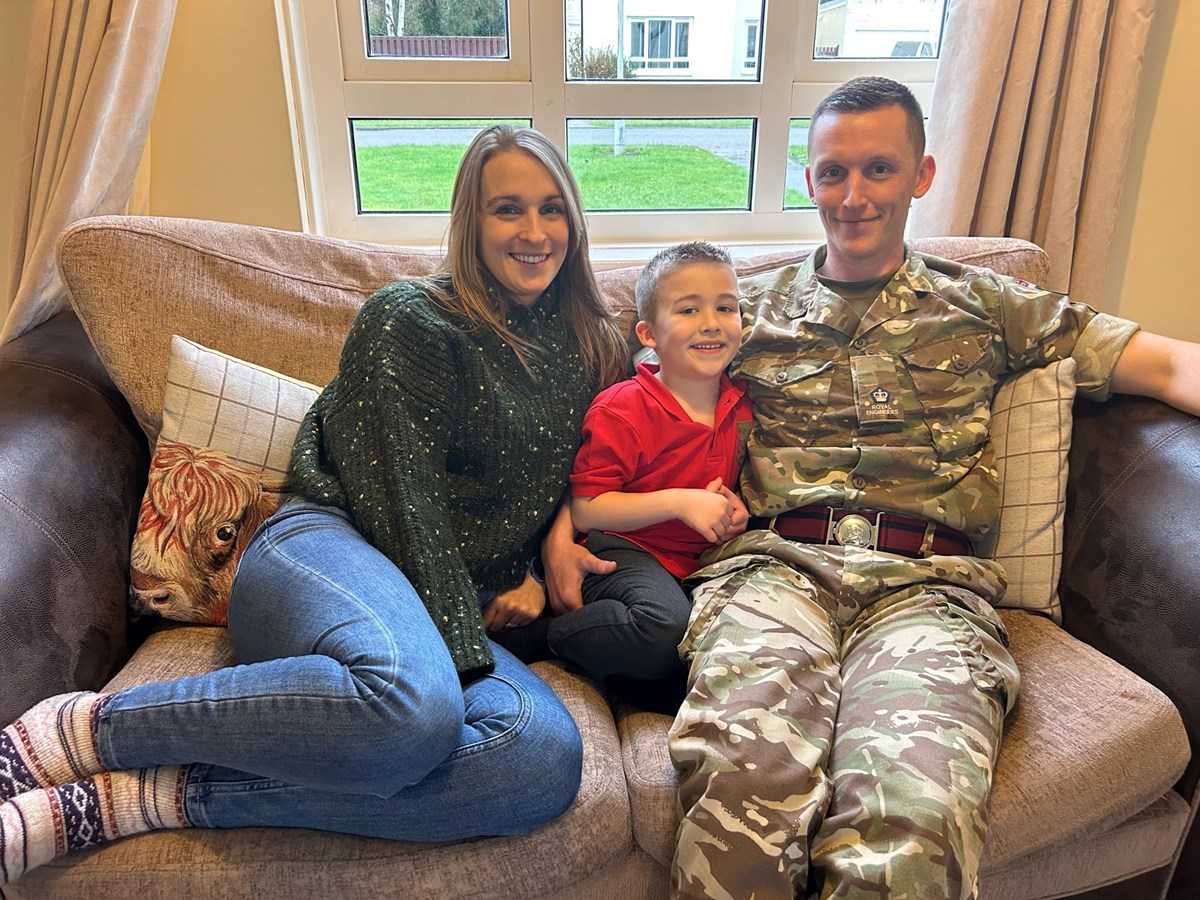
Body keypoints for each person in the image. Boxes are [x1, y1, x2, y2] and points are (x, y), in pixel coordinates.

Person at [542, 76, 1200, 900]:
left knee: (913, 813)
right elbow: (623, 411)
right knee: (743, 775)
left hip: (927, 590)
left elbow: (1171, 361)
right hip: (772, 572)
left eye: (879, 170)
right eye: (831, 173)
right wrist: (559, 530)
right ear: (808, 179)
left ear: (921, 175)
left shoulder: (988, 304)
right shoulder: (744, 315)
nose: (853, 197)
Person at [0, 124, 626, 885]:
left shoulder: (588, 342)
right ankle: (81, 728)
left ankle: (151, 799)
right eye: (508, 209)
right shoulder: (409, 319)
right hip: (327, 549)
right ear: (471, 221)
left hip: (444, 608)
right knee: (412, 710)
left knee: (539, 762)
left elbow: (594, 465)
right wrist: (478, 616)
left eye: (552, 208)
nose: (534, 232)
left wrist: (551, 545)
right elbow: (405, 504)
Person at [513, 242, 752, 707]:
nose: (711, 322)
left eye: (726, 307)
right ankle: (541, 641)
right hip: (624, 548)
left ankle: (629, 669)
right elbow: (587, 507)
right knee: (662, 626)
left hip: (698, 566)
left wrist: (736, 510)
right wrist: (681, 502)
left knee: (725, 662)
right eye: (688, 309)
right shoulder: (623, 408)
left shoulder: (742, 403)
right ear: (649, 333)